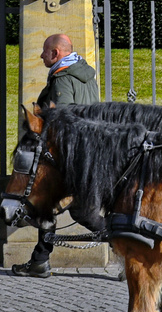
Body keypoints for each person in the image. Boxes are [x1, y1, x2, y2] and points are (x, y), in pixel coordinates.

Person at [11, 33, 101, 278]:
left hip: (68, 155)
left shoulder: (62, 80)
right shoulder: (84, 74)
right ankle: (40, 260)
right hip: (87, 151)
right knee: (81, 211)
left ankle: (40, 260)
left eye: (44, 51)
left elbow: (62, 121)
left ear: (56, 53)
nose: (41, 55)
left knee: (48, 203)